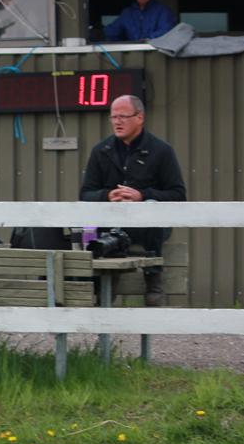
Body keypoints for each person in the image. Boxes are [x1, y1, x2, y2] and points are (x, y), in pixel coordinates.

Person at [79, 95, 187, 306]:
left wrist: (142, 196)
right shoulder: (101, 151)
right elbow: (85, 194)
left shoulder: (161, 150)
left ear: (140, 118)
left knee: (151, 208)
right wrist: (107, 196)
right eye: (113, 117)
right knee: (90, 227)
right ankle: (103, 290)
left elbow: (177, 195)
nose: (117, 122)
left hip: (149, 227)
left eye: (123, 116)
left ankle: (153, 281)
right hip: (111, 224)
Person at [104, 0, 176, 42]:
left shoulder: (163, 11)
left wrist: (149, 38)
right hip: (132, 51)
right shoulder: (127, 13)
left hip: (155, 51)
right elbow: (112, 32)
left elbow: (167, 30)